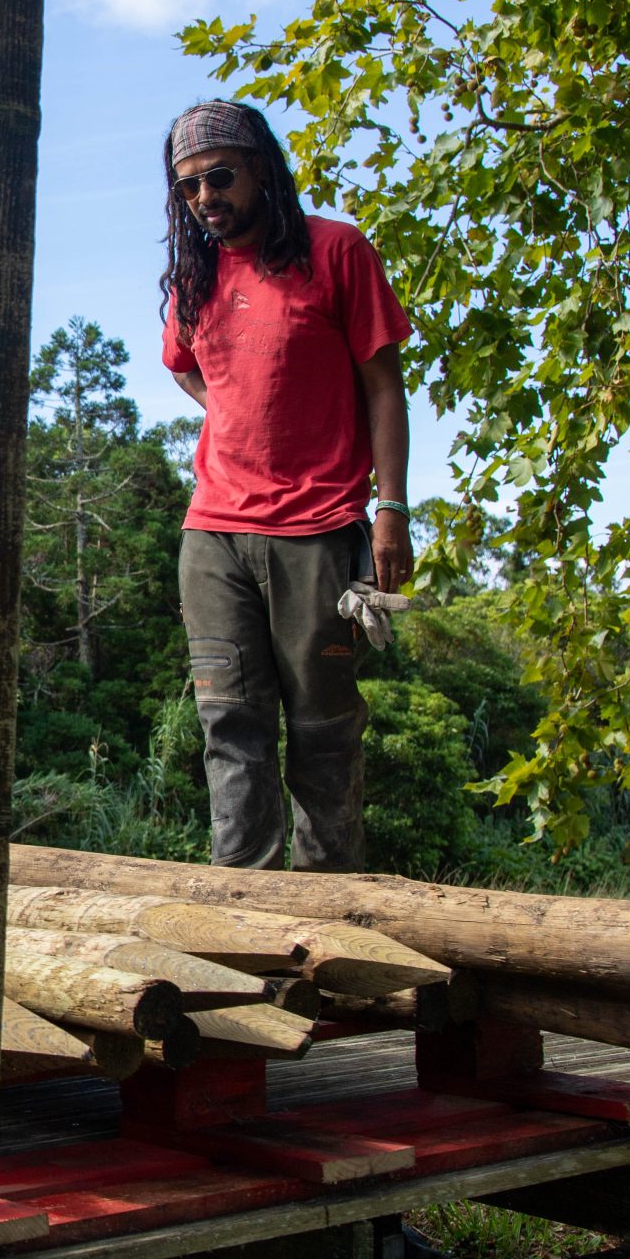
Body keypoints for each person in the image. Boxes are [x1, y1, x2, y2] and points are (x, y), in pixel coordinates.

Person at [158, 99, 411, 872]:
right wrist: (233, 412)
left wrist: (391, 509)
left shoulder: (336, 252)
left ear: (263, 168)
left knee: (324, 733)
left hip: (319, 532)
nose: (207, 198)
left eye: (221, 177)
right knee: (229, 726)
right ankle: (244, 917)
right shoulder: (196, 277)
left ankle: (328, 930)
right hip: (215, 536)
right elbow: (187, 369)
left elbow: (383, 386)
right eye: (189, 187)